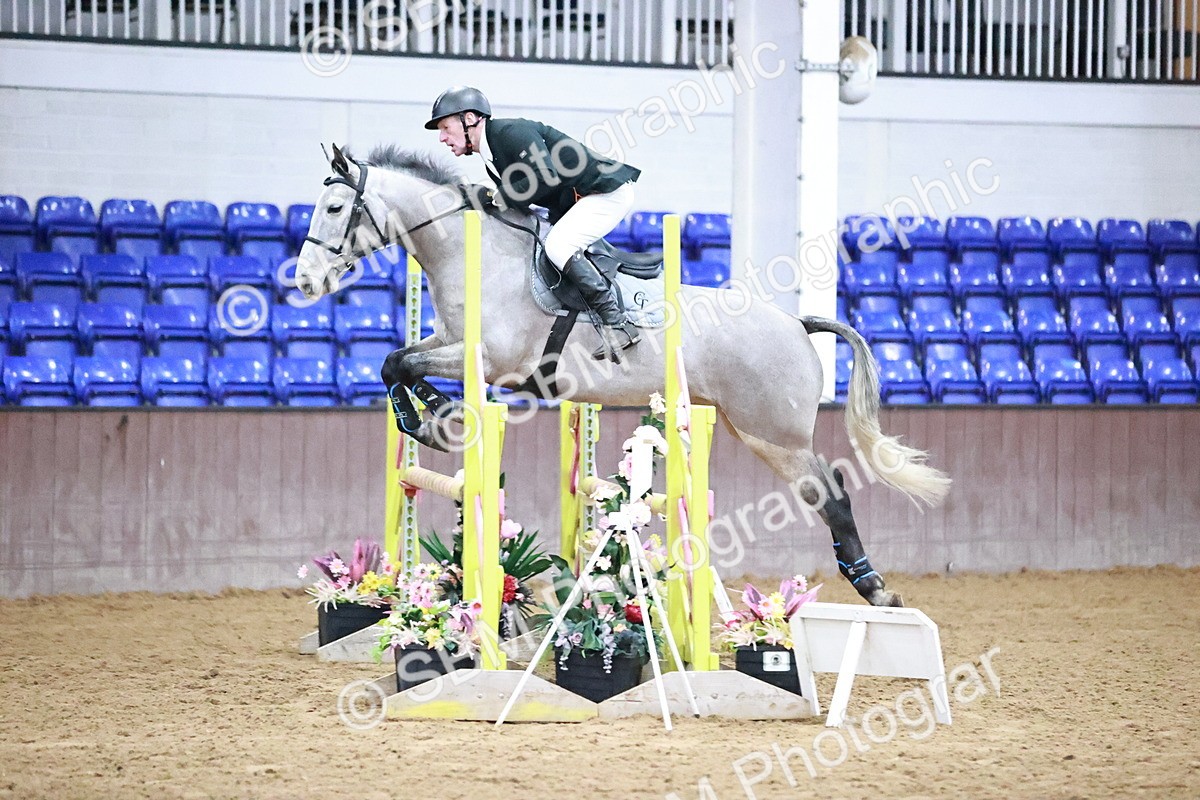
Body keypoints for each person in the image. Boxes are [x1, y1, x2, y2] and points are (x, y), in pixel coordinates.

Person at [425, 85, 641, 361]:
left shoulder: (510, 133)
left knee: (559, 246)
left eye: (445, 127)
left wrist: (494, 195)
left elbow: (544, 177)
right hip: (576, 201)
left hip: (604, 193)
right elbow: (521, 200)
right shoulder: (491, 156)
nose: (442, 138)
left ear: (469, 119)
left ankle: (617, 324)